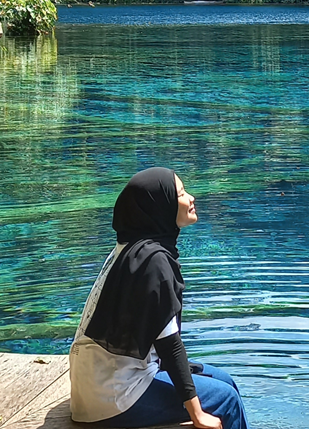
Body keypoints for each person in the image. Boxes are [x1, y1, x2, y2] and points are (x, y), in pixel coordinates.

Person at [69, 167, 249, 429]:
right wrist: (197, 414)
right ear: (161, 205)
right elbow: (169, 345)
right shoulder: (153, 262)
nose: (191, 198)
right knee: (227, 399)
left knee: (226, 380)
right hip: (115, 397)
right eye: (181, 193)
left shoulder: (131, 249)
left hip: (98, 385)